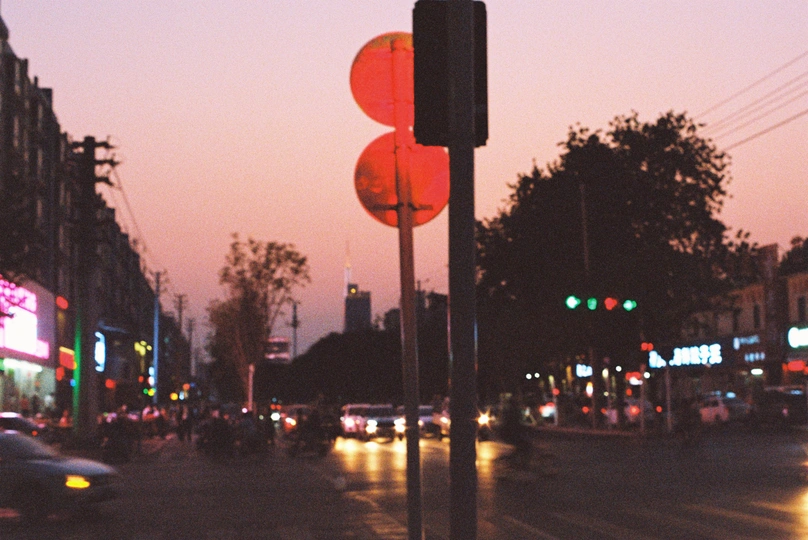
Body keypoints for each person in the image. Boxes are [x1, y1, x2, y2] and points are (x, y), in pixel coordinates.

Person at [497, 395, 533, 469]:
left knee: (521, 446)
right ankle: (521, 463)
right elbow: (517, 422)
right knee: (526, 446)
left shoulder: (507, 410)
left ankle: (514, 460)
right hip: (509, 433)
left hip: (507, 432)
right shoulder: (514, 411)